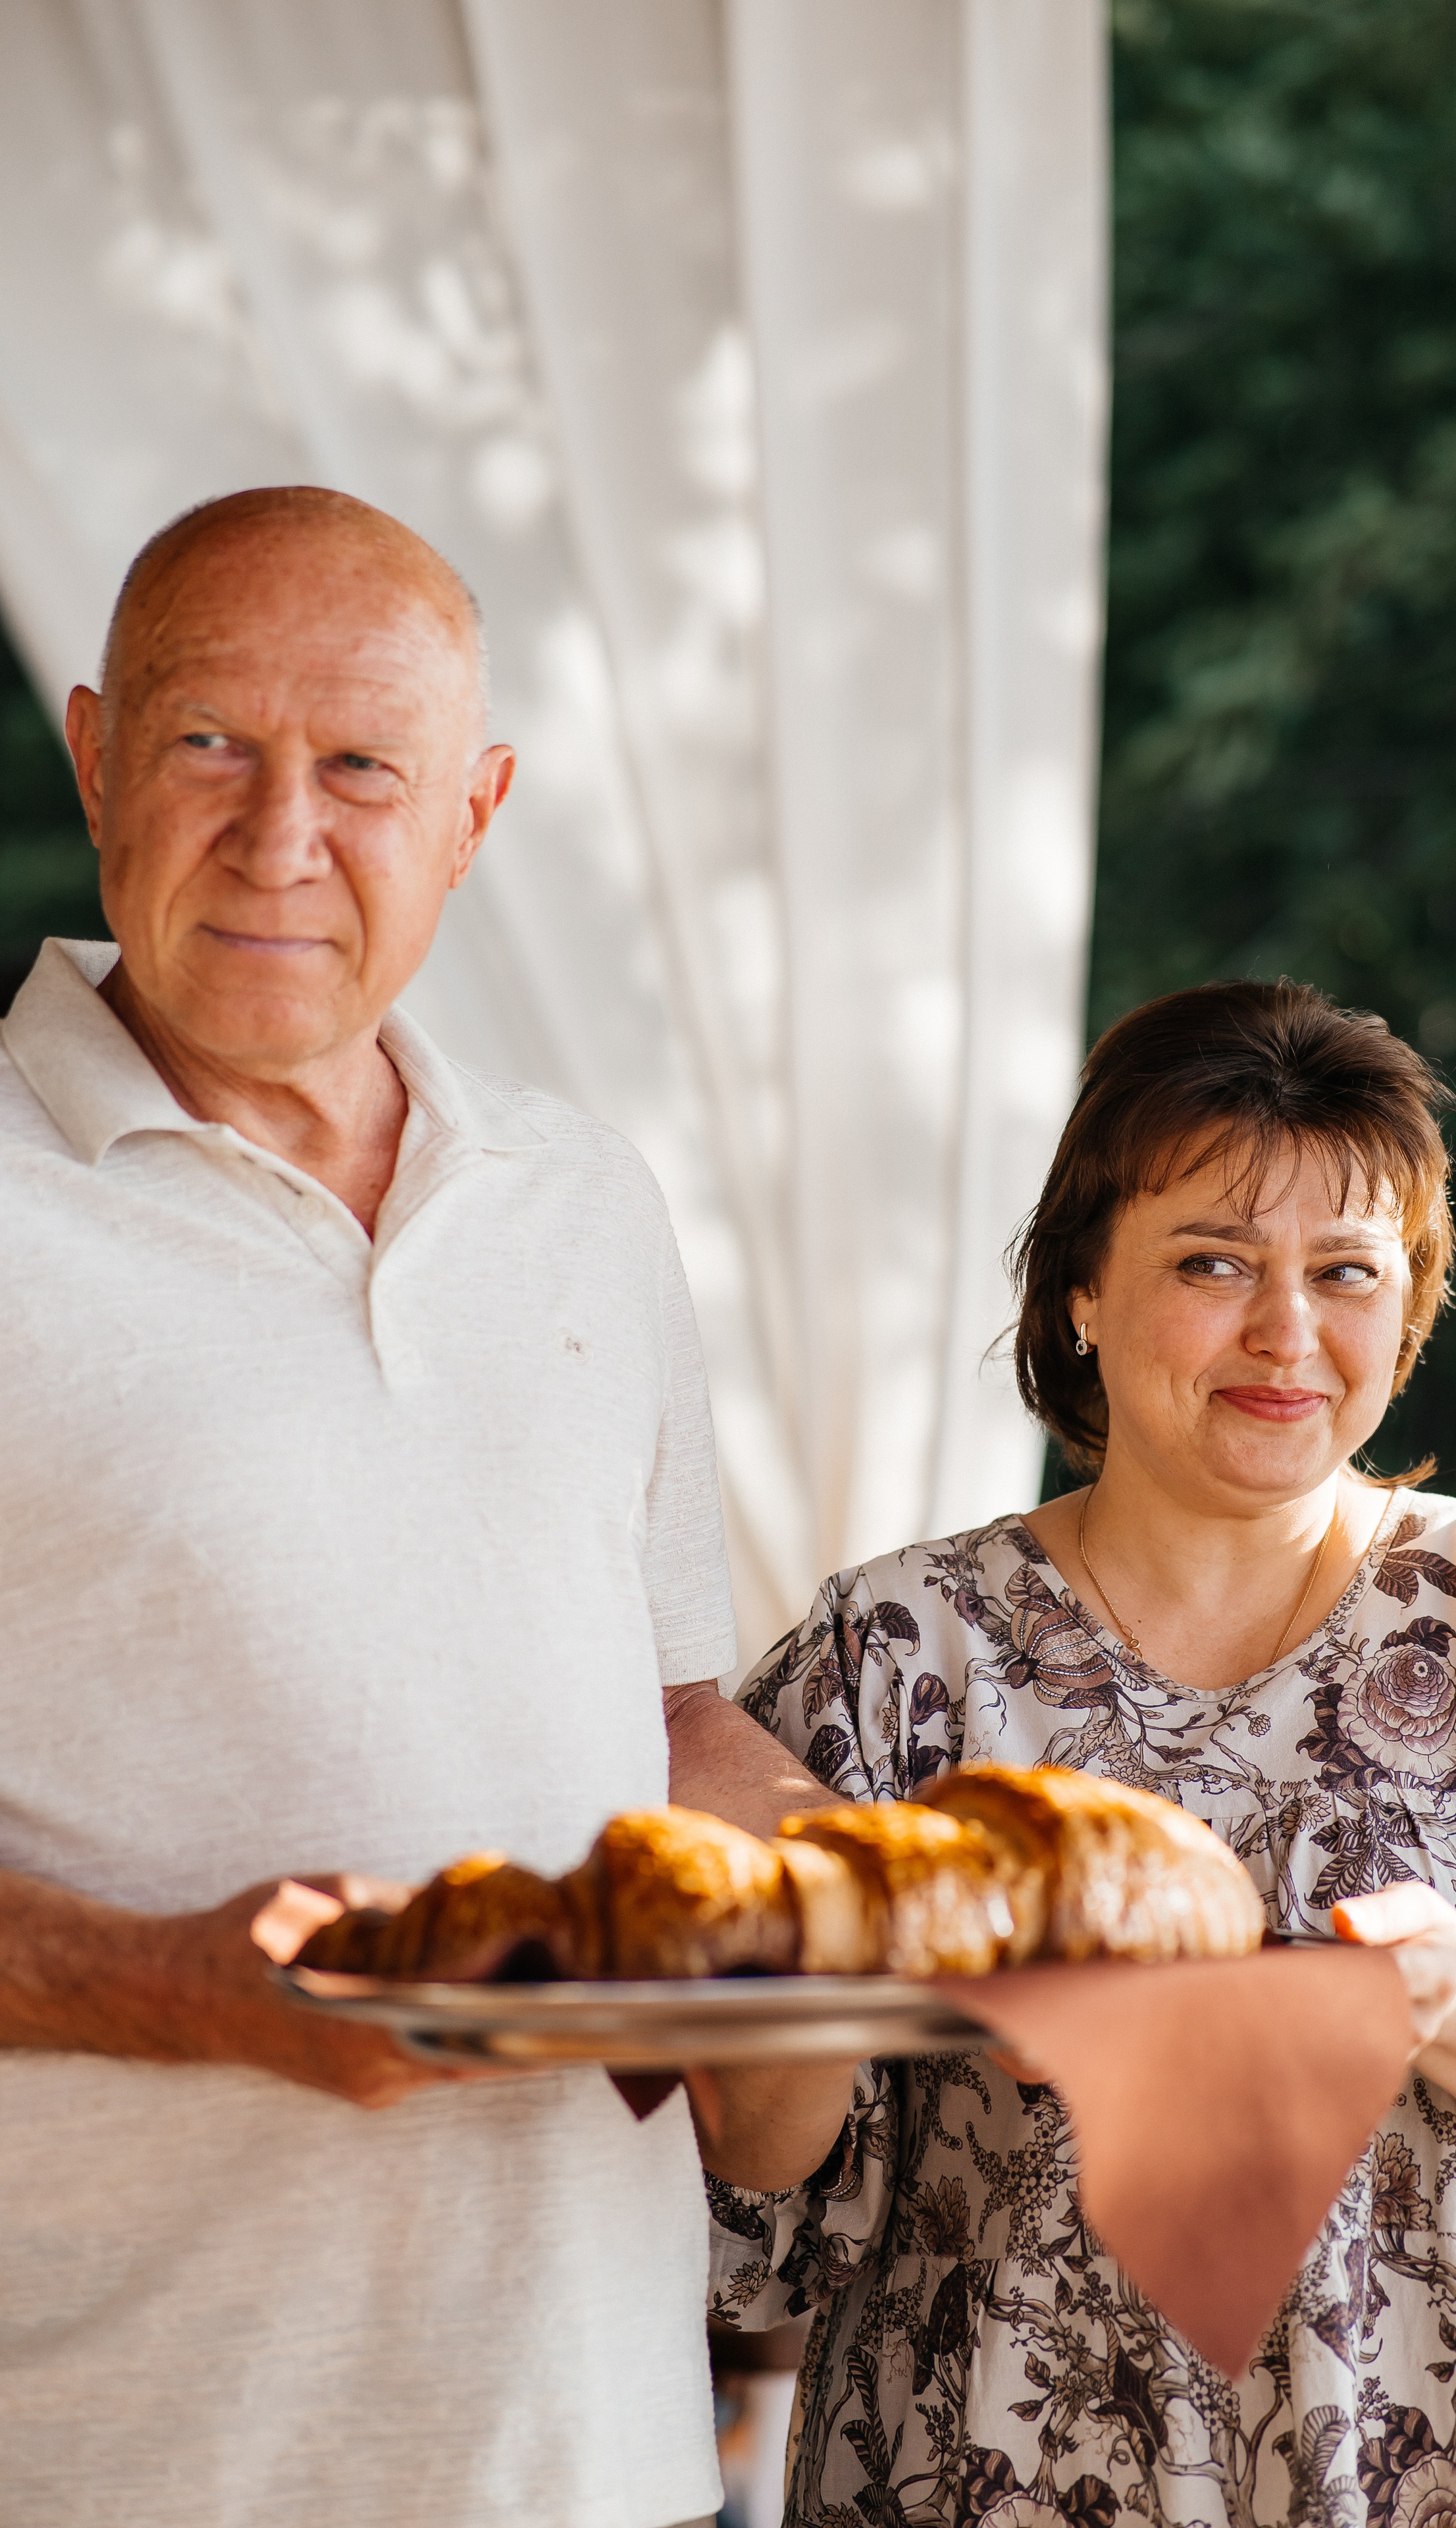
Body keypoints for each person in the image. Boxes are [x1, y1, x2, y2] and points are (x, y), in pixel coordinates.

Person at [0, 485, 822, 2528]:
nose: (284, 839)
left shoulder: (582, 1201)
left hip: (594, 2457)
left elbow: (667, 1717)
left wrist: (826, 1892)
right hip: (108, 2465)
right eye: (211, 746)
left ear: (479, 808)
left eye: (366, 767)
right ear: (96, 752)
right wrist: (186, 1993)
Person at [700, 980, 1456, 2528]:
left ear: (1408, 1309)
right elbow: (762, 2170)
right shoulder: (894, 1647)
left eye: (1346, 1273)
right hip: (978, 2477)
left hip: (1427, 2471)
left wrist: (1451, 1992)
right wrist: (844, 1947)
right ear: (1080, 1290)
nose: (1283, 1334)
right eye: (1211, 1262)